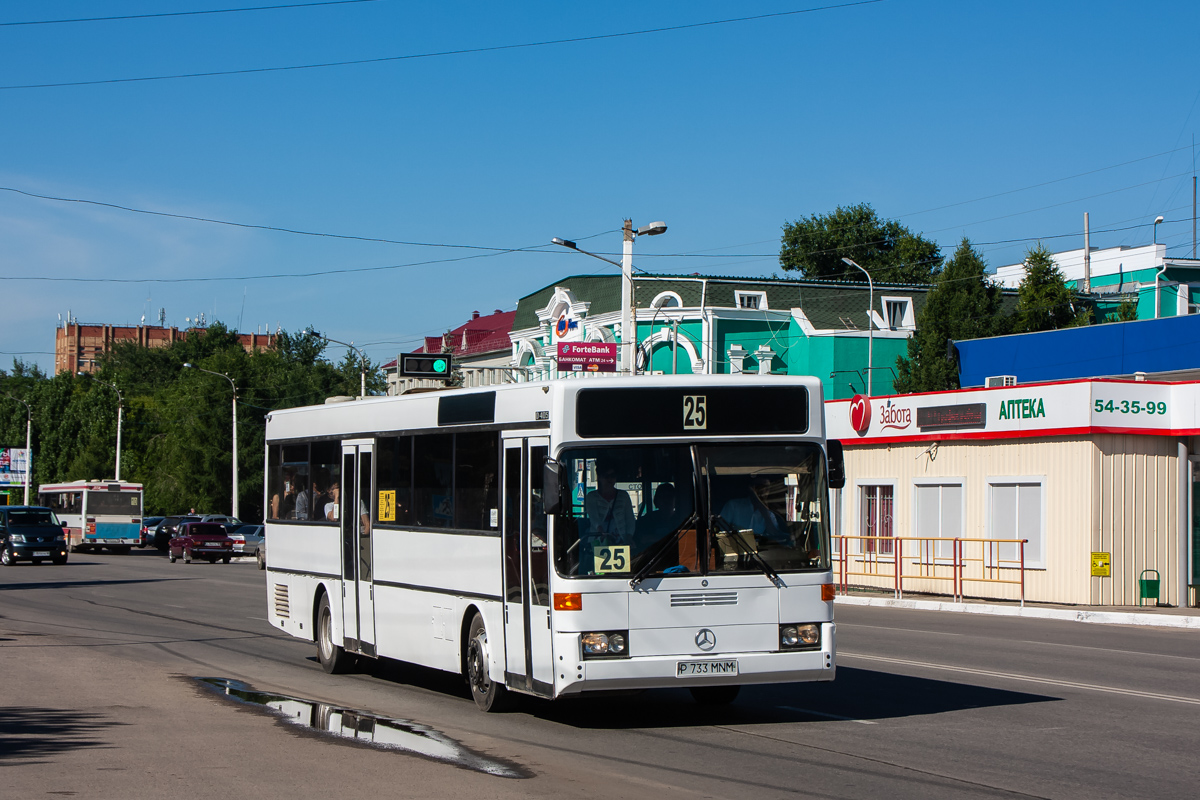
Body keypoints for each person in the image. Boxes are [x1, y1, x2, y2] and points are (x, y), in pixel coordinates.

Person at [718, 475, 789, 543]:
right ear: (752, 488)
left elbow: (774, 534)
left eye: (767, 488)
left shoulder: (769, 514)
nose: (764, 491)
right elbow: (721, 532)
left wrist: (764, 511)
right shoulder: (733, 506)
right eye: (760, 487)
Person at [583, 460, 635, 544]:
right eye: (606, 476)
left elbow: (630, 520)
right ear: (599, 477)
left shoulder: (623, 496)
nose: (609, 479)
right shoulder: (591, 497)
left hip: (621, 542)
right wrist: (601, 532)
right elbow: (594, 518)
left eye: (612, 476)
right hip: (598, 541)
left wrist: (629, 537)